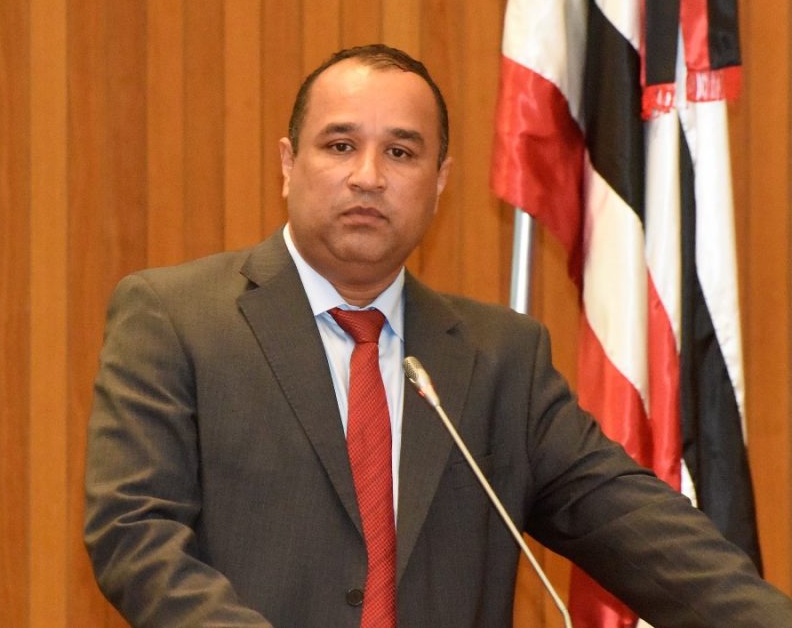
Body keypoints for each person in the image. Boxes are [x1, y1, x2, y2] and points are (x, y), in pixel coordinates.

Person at [84, 45, 792, 627]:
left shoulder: (499, 358)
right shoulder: (177, 319)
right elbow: (135, 535)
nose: (368, 177)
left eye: (400, 152)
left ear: (440, 180)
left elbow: (639, 529)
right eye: (340, 145)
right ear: (288, 164)